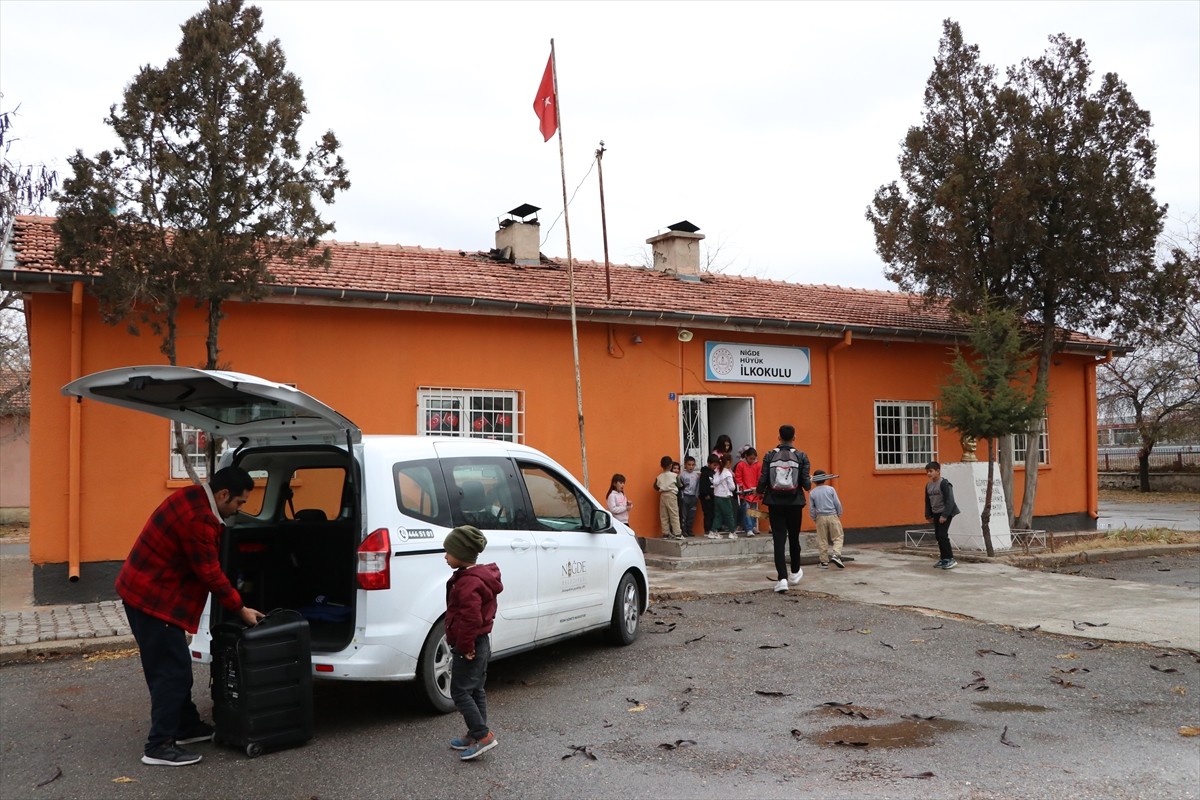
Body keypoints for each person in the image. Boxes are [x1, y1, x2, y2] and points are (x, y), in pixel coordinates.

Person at [117, 466, 265, 767]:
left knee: (173, 666)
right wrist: (240, 608)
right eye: (239, 503)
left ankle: (185, 726)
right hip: (152, 600)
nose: (239, 510)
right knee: (171, 672)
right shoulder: (200, 519)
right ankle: (159, 745)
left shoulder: (192, 496)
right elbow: (209, 573)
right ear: (223, 494)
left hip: (143, 590)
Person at [444, 524, 504, 761]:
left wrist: (465, 646)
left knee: (459, 692)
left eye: (448, 552)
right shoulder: (475, 577)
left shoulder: (468, 583)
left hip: (469, 645)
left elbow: (471, 618)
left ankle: (483, 735)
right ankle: (474, 732)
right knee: (476, 688)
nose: (445, 556)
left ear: (462, 554)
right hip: (481, 643)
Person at [757, 424, 811, 593]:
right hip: (795, 503)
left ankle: (782, 579)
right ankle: (795, 572)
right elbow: (807, 485)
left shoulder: (770, 455)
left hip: (774, 502)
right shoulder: (801, 456)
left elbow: (763, 479)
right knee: (794, 537)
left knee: (779, 541)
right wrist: (808, 479)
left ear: (778, 437)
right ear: (794, 438)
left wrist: (759, 491)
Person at [924, 461, 961, 569]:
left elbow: (950, 500)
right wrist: (928, 515)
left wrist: (944, 515)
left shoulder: (944, 483)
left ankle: (950, 559)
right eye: (927, 472)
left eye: (931, 471)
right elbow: (927, 501)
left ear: (938, 471)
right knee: (938, 536)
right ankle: (943, 559)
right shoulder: (928, 485)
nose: (929, 474)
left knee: (942, 535)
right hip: (935, 513)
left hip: (946, 512)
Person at [810, 469, 845, 569]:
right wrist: (839, 513)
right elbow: (837, 503)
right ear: (825, 479)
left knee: (822, 539)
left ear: (815, 481)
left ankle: (823, 562)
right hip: (832, 515)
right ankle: (836, 555)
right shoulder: (831, 489)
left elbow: (812, 508)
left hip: (820, 517)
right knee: (838, 537)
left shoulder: (813, 493)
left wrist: (814, 518)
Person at [734, 446, 762, 536]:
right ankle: (749, 528)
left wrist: (758, 488)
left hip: (754, 491)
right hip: (745, 491)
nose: (752, 460)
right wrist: (741, 486)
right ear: (746, 456)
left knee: (753, 510)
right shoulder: (741, 465)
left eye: (754, 459)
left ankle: (753, 526)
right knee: (746, 510)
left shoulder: (758, 465)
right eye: (750, 458)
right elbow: (738, 477)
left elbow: (759, 477)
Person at [653, 455, 683, 539]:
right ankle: (677, 533)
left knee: (664, 515)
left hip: (663, 495)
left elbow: (655, 486)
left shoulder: (659, 477)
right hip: (671, 495)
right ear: (671, 465)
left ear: (661, 465)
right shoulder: (674, 475)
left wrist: (662, 488)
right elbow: (679, 484)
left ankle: (665, 533)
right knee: (674, 514)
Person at [709, 453, 737, 538]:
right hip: (725, 496)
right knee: (729, 515)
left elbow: (714, 482)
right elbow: (732, 487)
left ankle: (713, 531)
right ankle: (732, 532)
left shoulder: (717, 472)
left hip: (717, 496)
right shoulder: (727, 473)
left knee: (718, 514)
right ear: (728, 462)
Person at [678, 456, 700, 537]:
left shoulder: (696, 476)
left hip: (693, 497)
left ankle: (689, 529)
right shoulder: (682, 475)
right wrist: (682, 496)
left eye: (692, 465)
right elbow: (680, 487)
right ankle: (683, 530)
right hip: (685, 497)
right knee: (684, 514)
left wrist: (696, 496)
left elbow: (697, 486)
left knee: (692, 515)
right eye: (689, 465)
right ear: (685, 465)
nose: (691, 467)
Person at [699, 453, 719, 536]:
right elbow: (703, 484)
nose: (715, 467)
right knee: (707, 514)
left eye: (716, 465)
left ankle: (713, 529)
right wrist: (705, 494)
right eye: (714, 465)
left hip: (713, 496)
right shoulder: (705, 473)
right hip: (706, 497)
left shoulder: (714, 473)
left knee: (713, 513)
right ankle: (707, 530)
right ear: (709, 463)